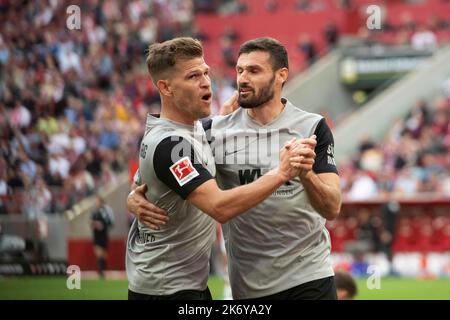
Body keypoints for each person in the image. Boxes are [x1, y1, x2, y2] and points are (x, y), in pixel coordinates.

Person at [129, 37, 342, 300]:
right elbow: (159, 176)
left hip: (309, 277)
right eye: (239, 70)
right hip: (246, 286)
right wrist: (134, 196)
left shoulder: (312, 127)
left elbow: (332, 208)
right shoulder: (213, 132)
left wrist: (306, 174)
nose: (242, 79)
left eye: (253, 71)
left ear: (281, 76)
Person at [91, 194, 114, 279]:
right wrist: (95, 224)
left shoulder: (106, 212)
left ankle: (102, 270)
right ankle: (100, 271)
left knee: (104, 254)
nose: (96, 203)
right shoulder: (94, 212)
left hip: (103, 235)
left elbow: (110, 223)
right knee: (99, 253)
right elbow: (91, 223)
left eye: (97, 201)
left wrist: (102, 225)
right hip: (96, 235)